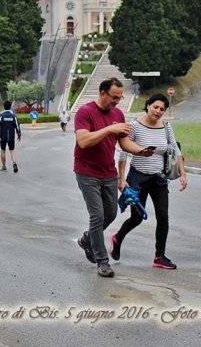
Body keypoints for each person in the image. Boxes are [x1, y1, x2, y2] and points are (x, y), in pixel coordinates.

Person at [74, 77, 145, 278]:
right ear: (103, 93)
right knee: (97, 216)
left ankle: (88, 238)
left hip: (108, 172)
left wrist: (141, 151)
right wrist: (109, 129)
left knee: (111, 214)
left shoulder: (118, 113)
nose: (116, 101)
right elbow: (83, 141)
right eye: (114, 97)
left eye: (120, 98)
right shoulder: (85, 111)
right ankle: (102, 261)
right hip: (87, 172)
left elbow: (124, 143)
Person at [113, 93, 187, 270]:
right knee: (137, 217)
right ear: (148, 106)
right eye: (155, 107)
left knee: (163, 217)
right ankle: (117, 238)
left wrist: (183, 174)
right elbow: (123, 152)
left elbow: (175, 149)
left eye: (162, 109)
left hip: (158, 178)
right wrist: (121, 179)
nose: (158, 111)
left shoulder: (166, 127)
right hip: (138, 177)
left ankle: (159, 256)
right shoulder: (134, 126)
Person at [0, 100, 21, 173]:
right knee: (12, 150)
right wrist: (19, 134)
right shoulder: (13, 116)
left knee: (3, 150)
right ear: (10, 107)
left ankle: (4, 166)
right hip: (11, 136)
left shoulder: (1, 116)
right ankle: (14, 162)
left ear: (4, 107)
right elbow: (17, 126)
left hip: (3, 136)